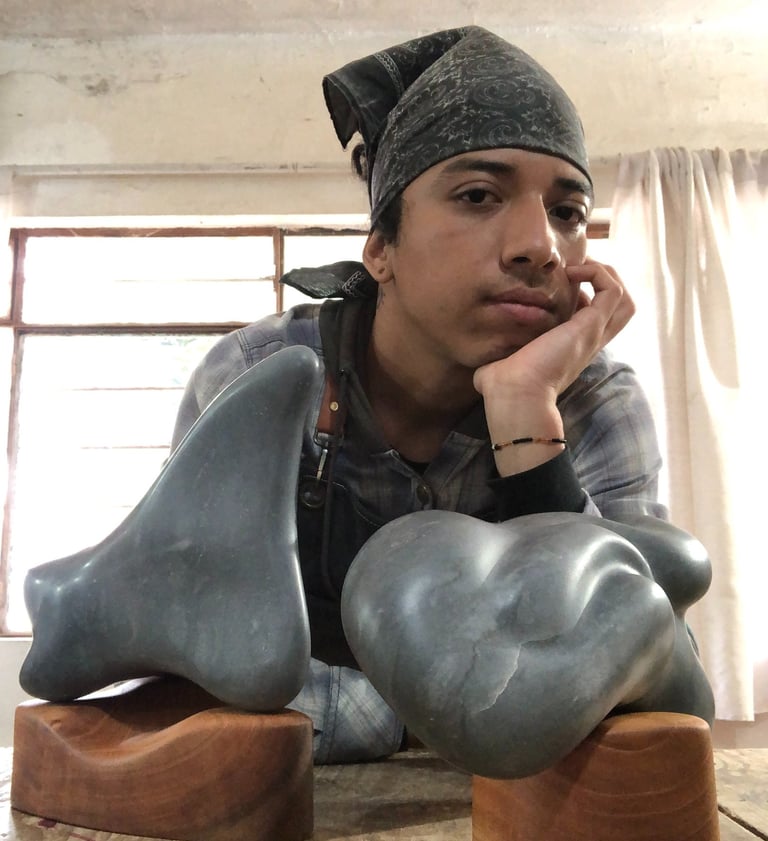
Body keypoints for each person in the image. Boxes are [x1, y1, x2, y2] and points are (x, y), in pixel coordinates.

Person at [170, 26, 667, 763]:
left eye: (567, 212)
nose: (541, 246)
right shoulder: (258, 379)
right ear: (381, 248)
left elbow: (642, 666)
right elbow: (195, 644)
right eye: (478, 195)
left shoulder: (593, 402)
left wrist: (526, 412)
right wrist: (432, 715)